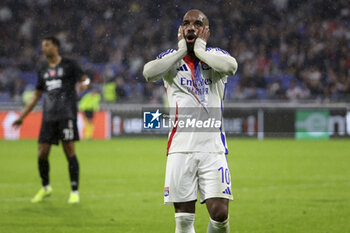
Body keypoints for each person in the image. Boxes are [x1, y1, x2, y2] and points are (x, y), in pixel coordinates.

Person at [143, 9, 238, 233]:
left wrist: (200, 50)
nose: (191, 27)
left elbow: (231, 68)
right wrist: (180, 52)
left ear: (206, 31)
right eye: (186, 23)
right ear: (180, 30)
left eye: (197, 23)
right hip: (180, 150)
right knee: (184, 220)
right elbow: (148, 73)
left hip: (213, 150)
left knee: (220, 214)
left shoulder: (215, 55)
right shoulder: (170, 59)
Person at [12, 36, 90, 204]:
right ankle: (46, 188)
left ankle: (74, 191)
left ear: (56, 47)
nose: (44, 49)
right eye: (42, 46)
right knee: (42, 152)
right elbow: (36, 96)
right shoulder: (42, 69)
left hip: (66, 115)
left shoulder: (69, 64)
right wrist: (22, 117)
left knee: (69, 151)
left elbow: (86, 79)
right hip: (49, 117)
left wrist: (85, 85)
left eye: (46, 45)